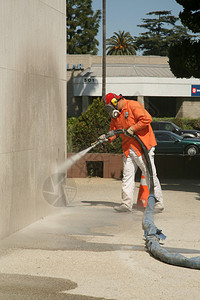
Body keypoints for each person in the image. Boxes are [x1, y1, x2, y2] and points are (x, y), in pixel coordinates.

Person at [102, 93, 164, 213]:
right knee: (127, 176)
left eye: (110, 107)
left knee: (150, 174)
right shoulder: (115, 116)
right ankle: (126, 204)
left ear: (115, 102)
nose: (111, 112)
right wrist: (106, 137)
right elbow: (114, 131)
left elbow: (147, 119)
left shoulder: (133, 105)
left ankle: (158, 203)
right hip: (128, 149)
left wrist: (133, 128)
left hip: (143, 147)